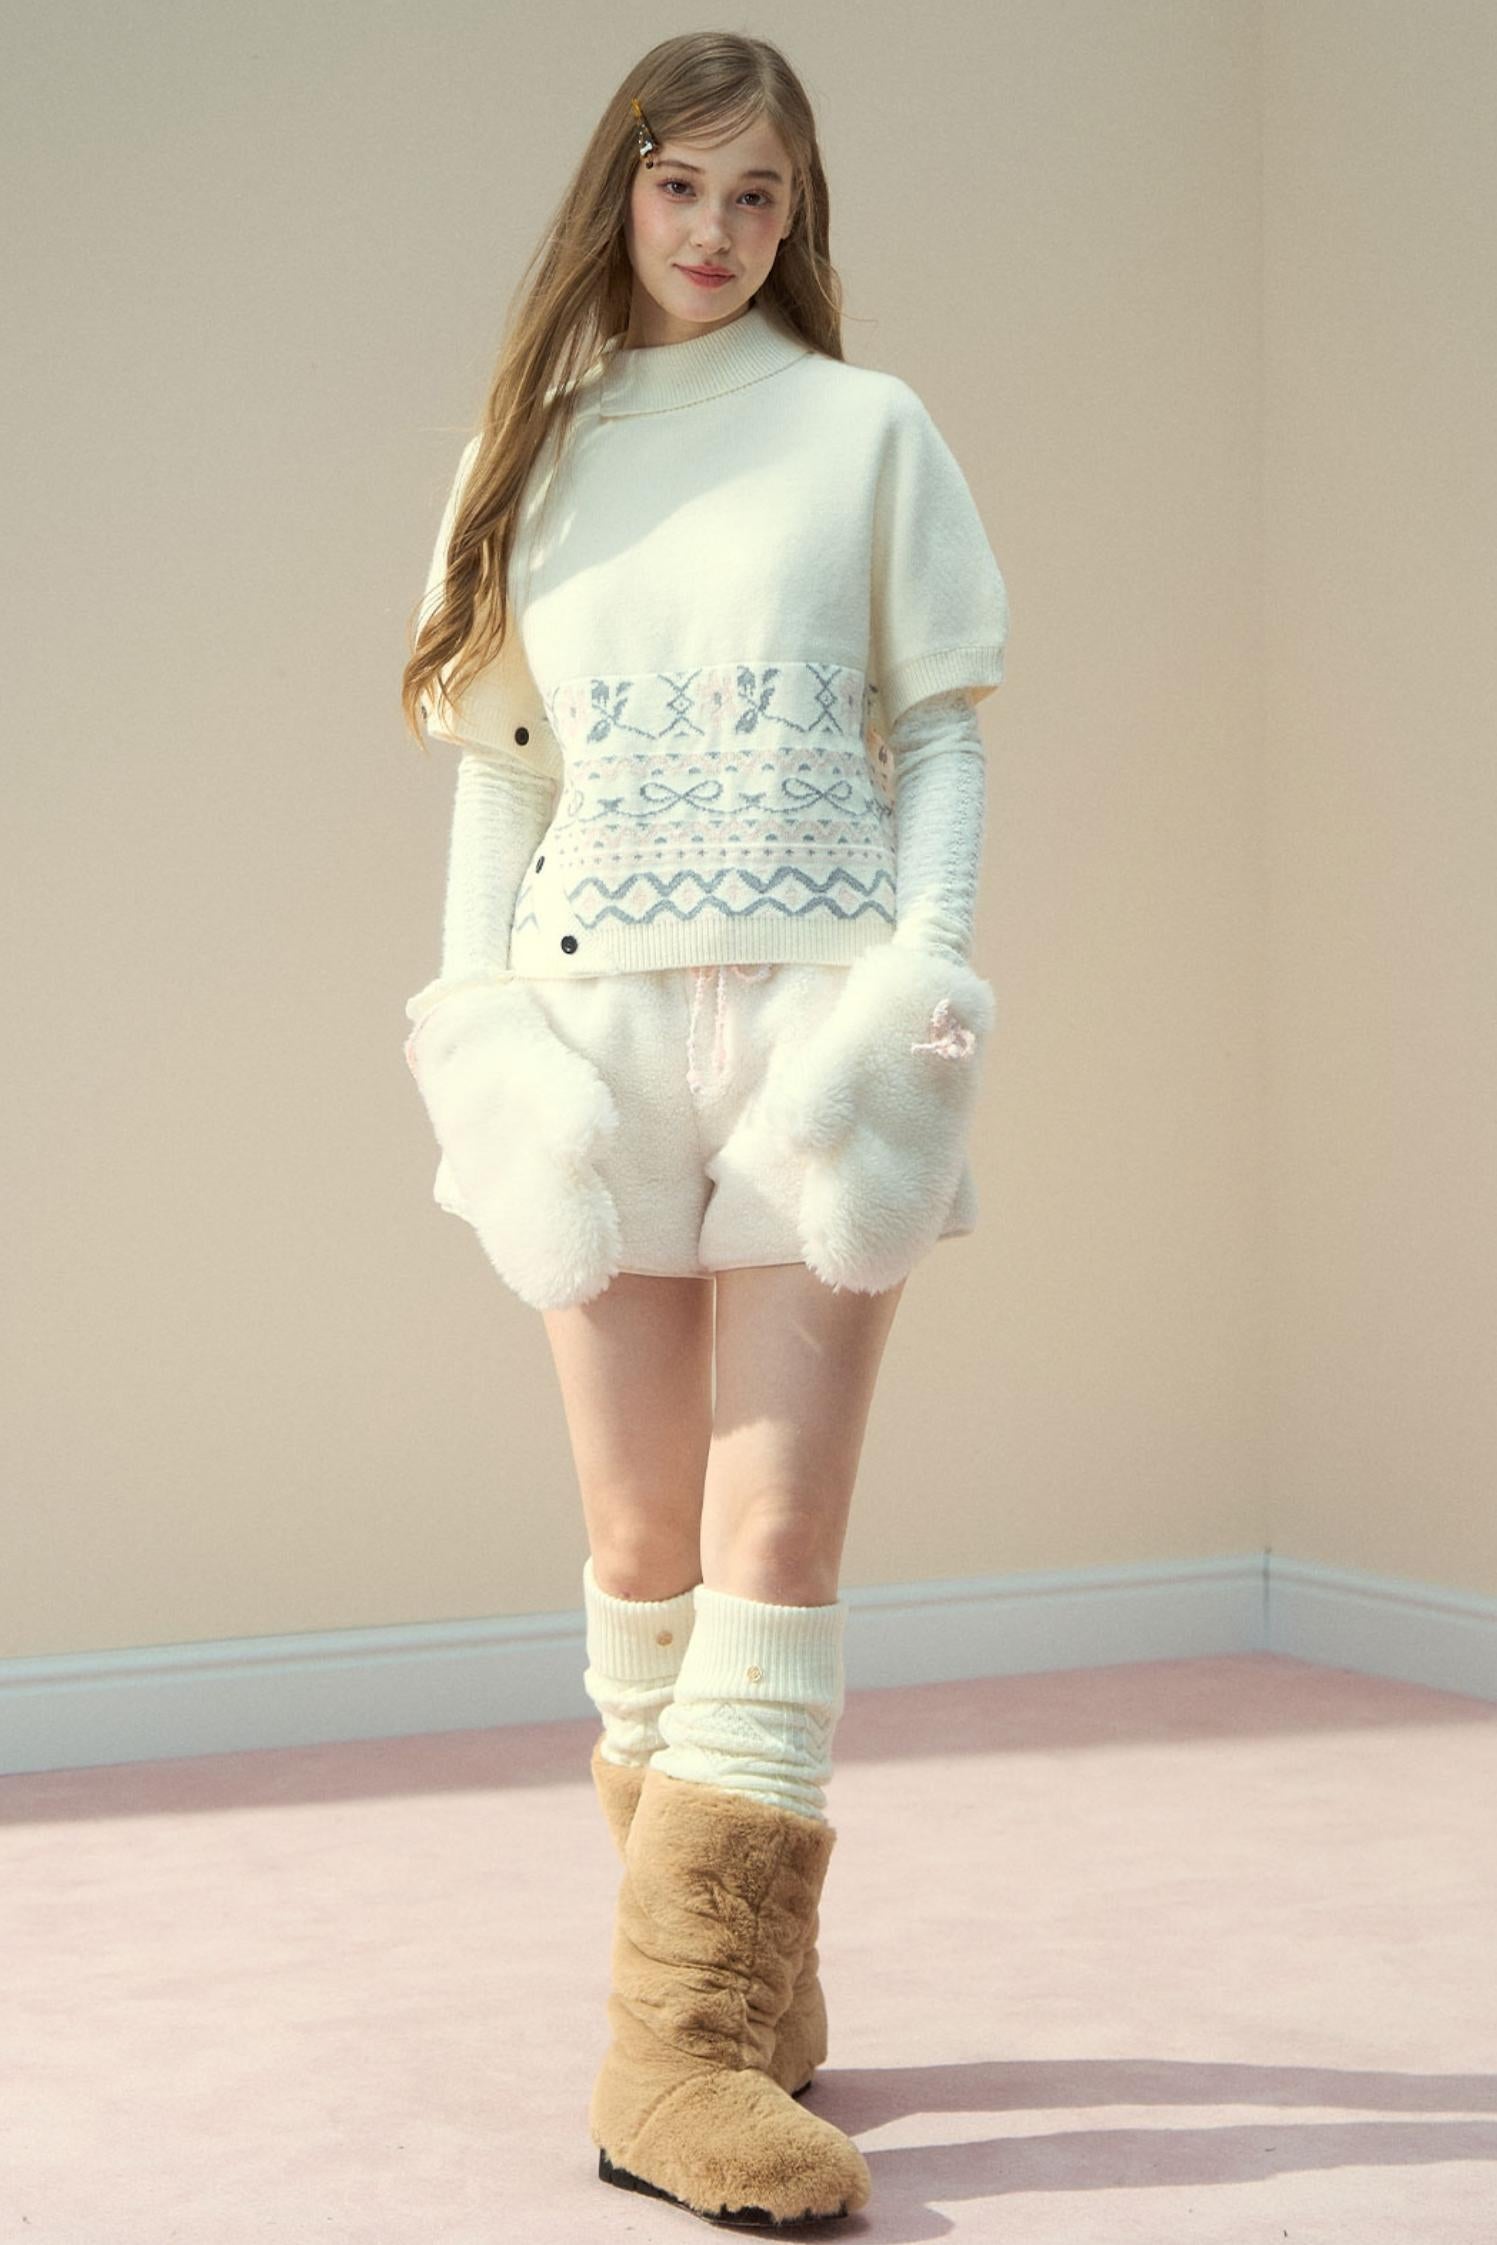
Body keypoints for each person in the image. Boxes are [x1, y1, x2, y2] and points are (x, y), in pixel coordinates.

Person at [399, 32, 1009, 2229]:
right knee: (640, 1543)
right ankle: (745, 1989)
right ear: (623, 191)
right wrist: (482, 1033)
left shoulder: (866, 430)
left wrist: (913, 995)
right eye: (684, 187)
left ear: (796, 216)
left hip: (818, 1032)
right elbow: (504, 775)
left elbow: (941, 732)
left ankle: (669, 2058)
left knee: (775, 1538)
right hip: (592, 1033)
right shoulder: (536, 451)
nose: (718, 233)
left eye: (761, 198)